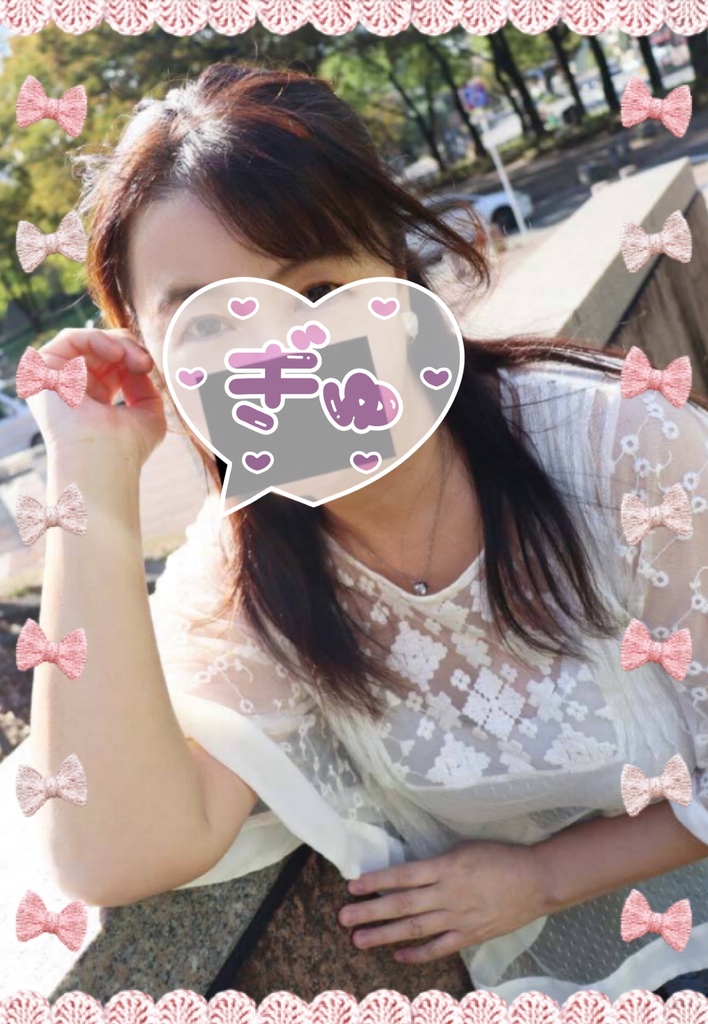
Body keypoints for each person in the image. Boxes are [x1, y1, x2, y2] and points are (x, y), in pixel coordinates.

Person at [22, 62, 708, 1001]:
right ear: (150, 354)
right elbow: (108, 852)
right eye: (208, 324)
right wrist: (91, 484)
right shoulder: (239, 583)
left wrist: (545, 877)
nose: (282, 356)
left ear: (394, 269)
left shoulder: (618, 449)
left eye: (315, 290)